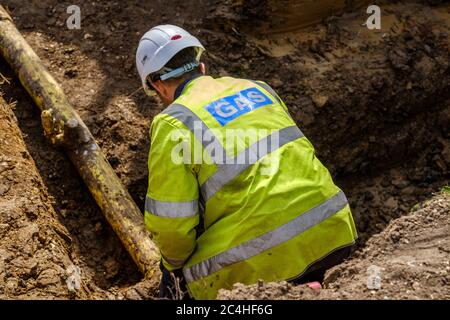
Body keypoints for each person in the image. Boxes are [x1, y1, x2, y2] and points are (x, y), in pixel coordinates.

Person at [135, 25, 358, 300]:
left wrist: (172, 266)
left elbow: (172, 225)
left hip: (266, 260)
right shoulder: (258, 89)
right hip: (333, 231)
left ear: (157, 85)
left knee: (176, 280)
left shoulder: (174, 123)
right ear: (201, 66)